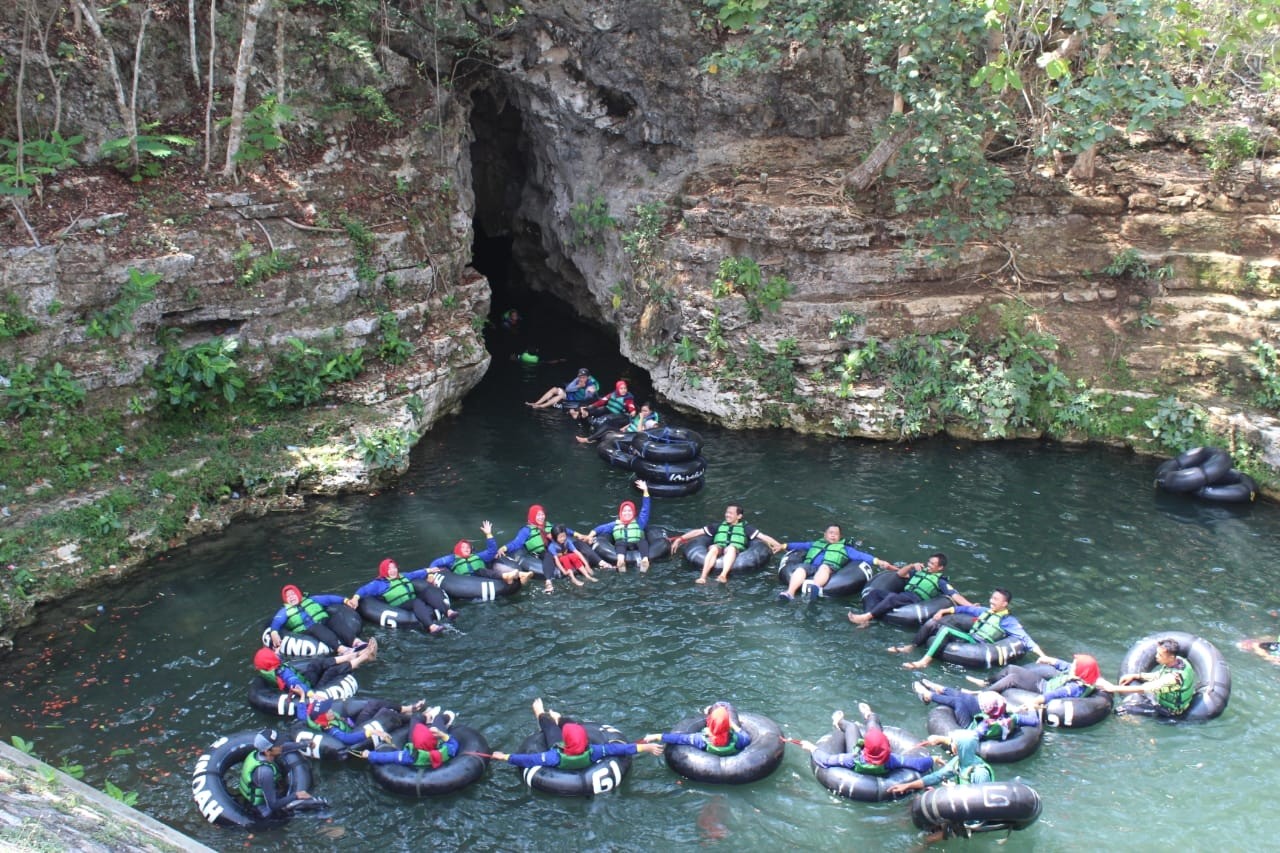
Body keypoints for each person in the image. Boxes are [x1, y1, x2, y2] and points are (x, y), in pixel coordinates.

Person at [891, 588, 1042, 670]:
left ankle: (924, 661)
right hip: (969, 637)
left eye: (996, 599)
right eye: (992, 598)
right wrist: (944, 611)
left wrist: (1042, 655)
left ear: (1004, 604)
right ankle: (912, 646)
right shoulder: (985, 611)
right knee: (933, 623)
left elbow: (1025, 638)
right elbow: (964, 609)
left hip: (979, 645)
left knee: (946, 631)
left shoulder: (1008, 621)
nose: (991, 601)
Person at [489, 698, 663, 767]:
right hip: (577, 747)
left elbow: (527, 759)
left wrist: (503, 756)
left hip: (558, 746)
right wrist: (646, 748)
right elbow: (621, 749)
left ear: (565, 742)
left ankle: (541, 712)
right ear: (586, 740)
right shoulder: (595, 751)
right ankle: (558, 717)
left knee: (550, 728)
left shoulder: (553, 757)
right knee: (570, 724)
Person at [799, 702, 933, 775]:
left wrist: (811, 748)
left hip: (860, 757)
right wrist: (933, 759)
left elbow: (826, 760)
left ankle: (838, 722)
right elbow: (920, 764)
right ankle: (869, 715)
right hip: (879, 762)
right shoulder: (892, 760)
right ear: (887, 748)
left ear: (865, 747)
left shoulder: (852, 759)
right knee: (874, 726)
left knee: (852, 727)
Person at [777, 525, 900, 601]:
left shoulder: (845, 549)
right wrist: (783, 546)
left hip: (829, 568)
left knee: (824, 568)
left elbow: (862, 556)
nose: (833, 535)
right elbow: (799, 545)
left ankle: (815, 588)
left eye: (836, 534)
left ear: (840, 537)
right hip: (811, 566)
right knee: (800, 569)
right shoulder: (815, 544)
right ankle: (790, 593)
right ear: (825, 535)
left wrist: (880, 562)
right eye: (830, 533)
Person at [848, 553, 974, 626]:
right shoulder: (919, 572)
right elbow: (900, 574)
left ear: (940, 568)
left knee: (892, 597)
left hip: (915, 600)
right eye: (929, 562)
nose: (929, 565)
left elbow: (954, 595)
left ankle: (867, 617)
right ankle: (866, 620)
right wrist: (912, 565)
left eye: (932, 564)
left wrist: (971, 606)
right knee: (874, 593)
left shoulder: (940, 581)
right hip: (904, 595)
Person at [673, 504, 784, 584]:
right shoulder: (718, 526)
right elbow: (698, 532)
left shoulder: (746, 528)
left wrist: (780, 545)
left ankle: (723, 575)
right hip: (719, 547)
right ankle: (703, 577)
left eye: (730, 513)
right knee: (714, 548)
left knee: (731, 548)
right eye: (726, 512)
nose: (727, 515)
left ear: (739, 516)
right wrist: (681, 538)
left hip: (733, 549)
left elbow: (763, 537)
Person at [497, 505, 595, 593]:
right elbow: (517, 543)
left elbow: (566, 531)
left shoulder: (548, 525)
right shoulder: (526, 530)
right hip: (543, 552)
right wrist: (504, 548)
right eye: (538, 515)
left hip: (557, 548)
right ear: (532, 516)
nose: (541, 517)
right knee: (548, 555)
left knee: (577, 544)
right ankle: (548, 581)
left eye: (542, 514)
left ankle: (597, 562)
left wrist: (579, 535)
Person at [347, 557, 456, 635]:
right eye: (389, 569)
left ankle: (448, 611)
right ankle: (431, 627)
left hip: (412, 600)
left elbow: (416, 573)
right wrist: (355, 598)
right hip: (400, 606)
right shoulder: (379, 584)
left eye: (394, 568)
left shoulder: (403, 576)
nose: (393, 571)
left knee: (428, 590)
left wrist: (430, 570)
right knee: (416, 602)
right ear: (384, 570)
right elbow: (364, 590)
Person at [1097, 637, 1197, 717]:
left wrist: (1113, 688)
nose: (1156, 656)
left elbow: (1144, 689)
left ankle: (1138, 729)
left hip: (1169, 712)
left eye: (1160, 655)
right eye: (1157, 653)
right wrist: (1136, 675)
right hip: (1176, 703)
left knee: (1120, 711)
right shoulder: (1180, 661)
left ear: (1171, 657)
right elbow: (1158, 675)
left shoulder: (1173, 678)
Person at [970, 653, 1102, 709]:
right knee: (1012, 668)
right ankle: (986, 682)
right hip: (1045, 683)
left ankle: (981, 694)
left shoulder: (1073, 687)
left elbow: (1051, 695)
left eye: (1075, 665)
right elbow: (1063, 665)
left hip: (1042, 690)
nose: (1072, 665)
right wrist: (1049, 659)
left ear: (1081, 671)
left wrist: (1034, 703)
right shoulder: (1078, 674)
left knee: (1013, 678)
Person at [295, 694, 430, 748]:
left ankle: (408, 709)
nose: (330, 710)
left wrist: (302, 697)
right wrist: (371, 732)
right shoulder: (330, 729)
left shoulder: (313, 717)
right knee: (385, 713)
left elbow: (302, 715)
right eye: (327, 711)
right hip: (355, 730)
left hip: (352, 723)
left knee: (374, 704)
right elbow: (348, 739)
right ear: (323, 718)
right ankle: (421, 717)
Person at [886, 729, 994, 795]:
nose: (951, 745)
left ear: (962, 747)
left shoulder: (980, 773)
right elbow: (936, 777)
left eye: (954, 743)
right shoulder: (958, 761)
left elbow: (981, 803)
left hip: (974, 820)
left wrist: (954, 790)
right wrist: (907, 785)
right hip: (960, 804)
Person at [253, 644, 376, 700]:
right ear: (271, 662)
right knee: (332, 671)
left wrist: (277, 652)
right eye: (273, 655)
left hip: (307, 681)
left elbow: (275, 660)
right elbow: (295, 683)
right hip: (311, 690)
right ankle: (364, 657)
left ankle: (353, 655)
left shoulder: (270, 670)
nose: (276, 655)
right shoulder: (284, 673)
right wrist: (311, 694)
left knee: (315, 664)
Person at [266, 584, 363, 654]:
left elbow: (329, 598)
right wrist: (274, 632)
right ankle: (341, 649)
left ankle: (355, 642)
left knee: (333, 619)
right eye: (288, 596)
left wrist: (345, 600)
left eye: (292, 594)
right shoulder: (284, 611)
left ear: (298, 594)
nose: (291, 597)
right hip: (307, 630)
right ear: (285, 599)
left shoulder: (312, 599)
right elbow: (277, 621)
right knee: (316, 627)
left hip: (322, 622)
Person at [431, 520, 533, 585]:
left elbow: (492, 551)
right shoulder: (452, 559)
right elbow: (436, 562)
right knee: (481, 570)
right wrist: (431, 573)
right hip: (463, 582)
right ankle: (508, 576)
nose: (467, 549)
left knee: (483, 570)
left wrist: (489, 534)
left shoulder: (477, 556)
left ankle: (520, 575)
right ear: (457, 550)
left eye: (468, 547)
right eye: (463, 547)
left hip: (484, 578)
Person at [239, 727, 312, 818]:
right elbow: (273, 805)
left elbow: (284, 748)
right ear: (267, 751)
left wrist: (305, 744)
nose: (281, 745)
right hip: (261, 810)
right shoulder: (265, 772)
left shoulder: (256, 753)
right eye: (277, 744)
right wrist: (296, 795)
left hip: (256, 795)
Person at [643, 702, 750, 755]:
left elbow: (679, 738)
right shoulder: (739, 740)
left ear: (710, 723)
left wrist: (657, 736)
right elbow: (745, 736)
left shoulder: (700, 739)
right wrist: (733, 725)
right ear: (728, 725)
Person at [591, 481, 652, 572]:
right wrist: (589, 535)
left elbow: (645, 509)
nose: (627, 513)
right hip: (622, 545)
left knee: (643, 542)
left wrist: (645, 491)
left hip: (637, 544)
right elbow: (601, 528)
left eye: (629, 511)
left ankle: (645, 561)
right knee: (620, 543)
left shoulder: (640, 522)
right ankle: (620, 561)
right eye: (624, 511)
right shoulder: (615, 524)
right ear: (621, 512)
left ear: (633, 512)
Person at [358, 712, 460, 766]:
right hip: (432, 743)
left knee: (415, 718)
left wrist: (369, 754)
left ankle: (428, 716)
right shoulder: (444, 752)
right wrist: (442, 735)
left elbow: (388, 756)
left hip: (421, 746)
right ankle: (448, 716)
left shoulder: (409, 756)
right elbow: (454, 744)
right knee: (439, 718)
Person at [575, 401, 660, 443]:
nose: (643, 412)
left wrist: (641, 419)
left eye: (645, 411)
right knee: (607, 425)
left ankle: (587, 439)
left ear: (651, 412)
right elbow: (632, 423)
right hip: (626, 431)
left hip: (631, 436)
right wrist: (623, 428)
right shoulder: (640, 416)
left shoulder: (649, 421)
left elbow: (640, 432)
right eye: (642, 410)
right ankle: (593, 439)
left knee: (607, 427)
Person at [528, 367, 599, 409]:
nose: (581, 379)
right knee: (554, 389)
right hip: (572, 395)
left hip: (578, 400)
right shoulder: (577, 379)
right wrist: (578, 386)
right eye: (580, 377)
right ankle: (536, 403)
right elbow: (567, 389)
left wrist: (589, 391)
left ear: (588, 377)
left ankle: (542, 406)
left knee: (561, 395)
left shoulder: (591, 384)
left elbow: (588, 398)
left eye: (584, 377)